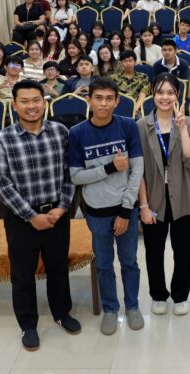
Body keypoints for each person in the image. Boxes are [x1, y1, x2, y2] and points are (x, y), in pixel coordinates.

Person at [0, 80, 79, 351]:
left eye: (36, 100)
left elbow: (70, 174)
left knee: (58, 268)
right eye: (25, 101)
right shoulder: (2, 139)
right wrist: (31, 216)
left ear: (45, 102)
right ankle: (28, 324)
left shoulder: (61, 133)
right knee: (22, 274)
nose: (31, 106)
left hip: (56, 215)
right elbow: (2, 184)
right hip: (21, 219)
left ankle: (62, 313)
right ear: (14, 105)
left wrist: (62, 207)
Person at [68, 78, 145, 336]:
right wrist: (110, 167)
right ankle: (110, 309)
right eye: (98, 98)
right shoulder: (77, 133)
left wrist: (126, 210)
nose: (103, 103)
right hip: (96, 211)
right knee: (103, 263)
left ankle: (132, 306)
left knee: (129, 261)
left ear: (117, 102)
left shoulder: (128, 126)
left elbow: (137, 171)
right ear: (88, 100)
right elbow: (76, 177)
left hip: (125, 208)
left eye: (109, 98)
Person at [137, 73, 190, 316]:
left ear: (177, 95)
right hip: (153, 196)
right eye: (160, 92)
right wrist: (143, 206)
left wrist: (182, 129)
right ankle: (158, 294)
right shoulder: (141, 126)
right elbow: (138, 170)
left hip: (182, 195)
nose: (165, 97)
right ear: (153, 94)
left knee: (183, 250)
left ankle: (181, 294)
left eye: (170, 92)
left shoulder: (189, 124)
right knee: (154, 251)